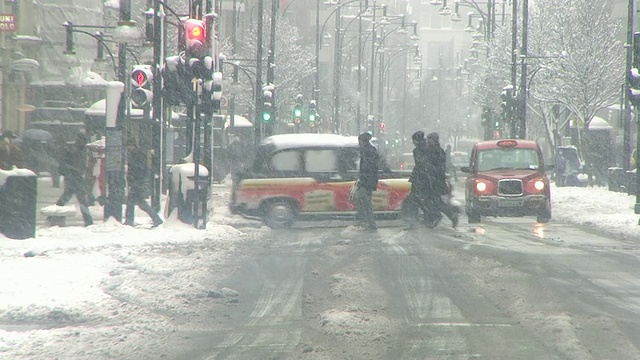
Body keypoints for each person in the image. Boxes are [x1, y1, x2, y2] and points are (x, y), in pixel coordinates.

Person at [56, 132, 94, 227]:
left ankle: (53, 214)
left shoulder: (76, 149)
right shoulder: (77, 150)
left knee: (66, 197)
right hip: (75, 177)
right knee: (81, 200)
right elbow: (68, 163)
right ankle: (88, 221)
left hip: (73, 177)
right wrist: (76, 170)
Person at [124, 138, 163, 227]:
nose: (128, 148)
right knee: (140, 203)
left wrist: (133, 178)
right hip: (137, 181)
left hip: (137, 182)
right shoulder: (136, 154)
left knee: (133, 202)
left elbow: (139, 168)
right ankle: (156, 219)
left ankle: (129, 221)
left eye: (129, 146)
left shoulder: (137, 155)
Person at [424, 132, 459, 229]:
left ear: (434, 140)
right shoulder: (430, 150)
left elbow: (440, 167)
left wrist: (431, 171)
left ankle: (441, 217)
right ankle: (436, 217)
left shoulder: (438, 151)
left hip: (436, 182)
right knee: (434, 202)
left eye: (429, 139)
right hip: (431, 181)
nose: (427, 141)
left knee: (435, 202)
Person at [405, 131, 432, 225]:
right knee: (420, 198)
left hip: (420, 177)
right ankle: (425, 215)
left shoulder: (418, 150)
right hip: (423, 177)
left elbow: (420, 164)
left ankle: (422, 215)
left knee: (415, 198)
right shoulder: (427, 148)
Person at [355, 132, 379, 231]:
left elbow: (367, 169)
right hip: (369, 181)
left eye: (359, 141)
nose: (358, 143)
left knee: (364, 202)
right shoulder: (370, 150)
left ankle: (369, 223)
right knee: (364, 202)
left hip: (367, 181)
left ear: (363, 141)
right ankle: (369, 223)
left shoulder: (366, 152)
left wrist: (363, 180)